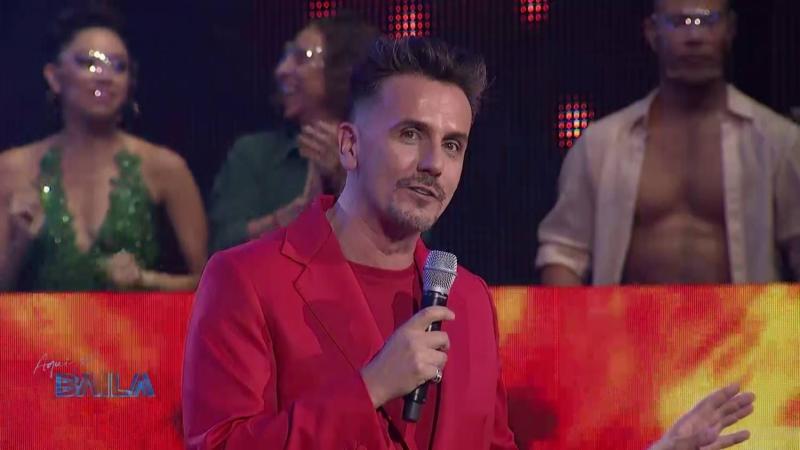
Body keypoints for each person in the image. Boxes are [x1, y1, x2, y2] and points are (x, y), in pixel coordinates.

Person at [182, 36, 754, 450]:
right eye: (411, 134)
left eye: (453, 145)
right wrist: (371, 387)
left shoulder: (469, 300)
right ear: (350, 146)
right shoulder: (247, 279)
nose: (434, 163)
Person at [537, 0, 800, 285]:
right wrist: (575, 314)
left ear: (730, 29)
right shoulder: (601, 144)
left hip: (746, 314)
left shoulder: (777, 142)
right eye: (679, 22)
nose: (694, 37)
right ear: (652, 33)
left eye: (708, 21)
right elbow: (563, 253)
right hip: (627, 314)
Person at [0, 6, 207, 291]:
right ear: (54, 77)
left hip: (136, 321)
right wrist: (19, 245)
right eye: (89, 63)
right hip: (37, 321)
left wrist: (147, 280)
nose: (105, 76)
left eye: (118, 66)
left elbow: (214, 287)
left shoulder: (165, 167)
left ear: (130, 83)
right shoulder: (13, 168)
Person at [207, 12, 379, 253]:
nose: (281, 70)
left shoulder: (381, 156)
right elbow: (221, 247)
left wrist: (346, 179)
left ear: (343, 68)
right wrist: (290, 218)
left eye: (302, 57)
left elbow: (411, 244)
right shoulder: (255, 154)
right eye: (286, 57)